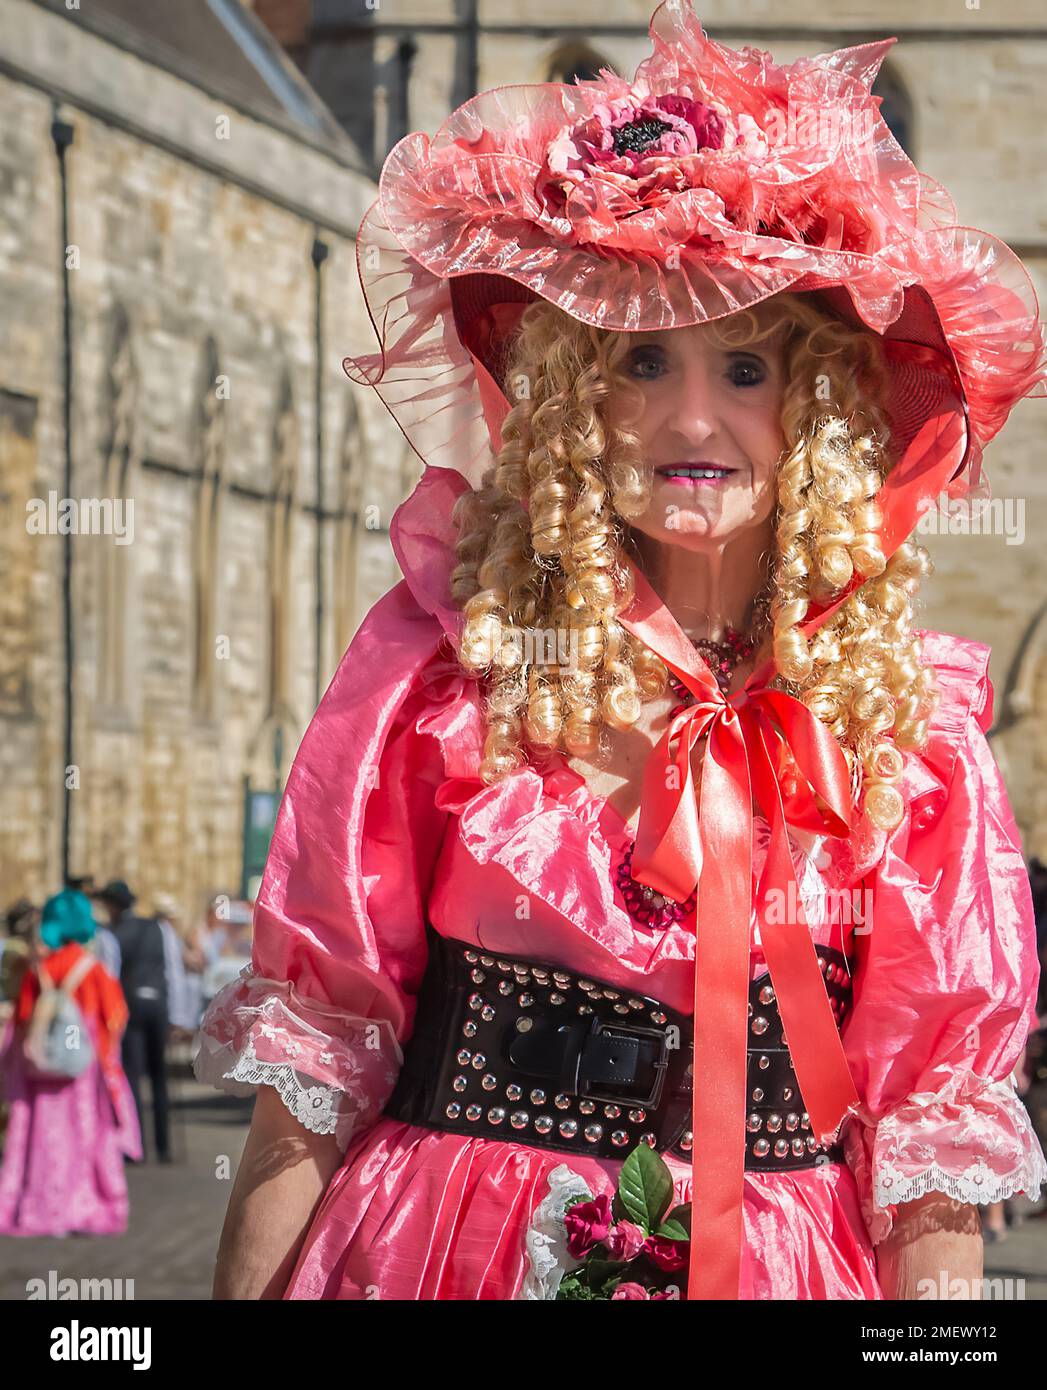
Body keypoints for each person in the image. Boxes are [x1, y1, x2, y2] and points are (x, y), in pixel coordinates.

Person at [194, 1, 1047, 1300]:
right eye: (639, 358)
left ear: (815, 402)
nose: (688, 415)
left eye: (744, 366)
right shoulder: (441, 668)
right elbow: (313, 1072)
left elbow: (926, 1172)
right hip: (436, 1259)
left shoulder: (901, 730)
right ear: (569, 394)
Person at [0, 889, 141, 1235]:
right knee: (82, 1138)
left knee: (41, 1140)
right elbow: (115, 1017)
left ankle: (41, 1206)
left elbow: (21, 1021)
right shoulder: (93, 971)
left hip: (40, 1076)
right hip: (81, 1075)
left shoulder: (40, 970)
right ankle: (80, 1204)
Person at [94, 879, 187, 1163]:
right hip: (157, 1004)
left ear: (112, 906)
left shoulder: (109, 935)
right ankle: (163, 1146)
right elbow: (174, 972)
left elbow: (110, 975)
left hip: (130, 1007)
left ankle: (135, 1147)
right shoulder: (160, 928)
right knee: (160, 1076)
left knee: (132, 1075)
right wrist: (177, 1016)